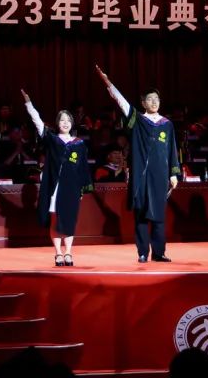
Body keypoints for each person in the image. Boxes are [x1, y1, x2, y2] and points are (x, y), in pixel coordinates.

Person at [95, 64, 180, 263]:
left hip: (160, 175)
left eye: (156, 99)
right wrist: (108, 82)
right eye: (150, 99)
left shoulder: (167, 124)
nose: (154, 102)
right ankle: (143, 252)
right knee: (141, 213)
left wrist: (173, 173)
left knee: (158, 215)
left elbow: (172, 150)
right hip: (141, 175)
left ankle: (159, 252)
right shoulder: (137, 120)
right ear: (143, 102)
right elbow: (121, 102)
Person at [22, 89, 93, 267]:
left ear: (72, 123)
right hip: (54, 186)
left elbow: (83, 168)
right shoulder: (52, 140)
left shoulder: (79, 144)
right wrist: (29, 104)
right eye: (62, 120)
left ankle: (68, 252)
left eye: (68, 120)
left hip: (72, 188)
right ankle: (58, 253)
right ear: (57, 123)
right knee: (55, 219)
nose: (65, 123)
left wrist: (81, 189)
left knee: (69, 219)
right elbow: (38, 123)